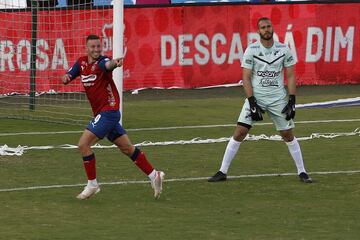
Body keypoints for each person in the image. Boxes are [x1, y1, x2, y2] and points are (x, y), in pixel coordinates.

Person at [208, 17, 312, 183]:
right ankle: (222, 171)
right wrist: (252, 102)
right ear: (258, 31)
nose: (266, 30)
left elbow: (291, 75)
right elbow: (246, 77)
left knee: (287, 135)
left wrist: (292, 100)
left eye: (269, 26)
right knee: (240, 132)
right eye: (263, 27)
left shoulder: (284, 49)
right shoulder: (252, 50)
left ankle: (302, 172)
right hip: (256, 97)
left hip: (278, 98)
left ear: (273, 28)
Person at [63, 34, 165, 200]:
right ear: (87, 48)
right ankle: (155, 175)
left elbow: (108, 65)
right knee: (126, 148)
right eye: (93, 47)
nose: (96, 49)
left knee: (83, 145)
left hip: (108, 112)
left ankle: (92, 184)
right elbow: (68, 75)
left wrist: (115, 63)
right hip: (103, 114)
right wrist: (66, 78)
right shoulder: (81, 63)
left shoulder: (103, 62)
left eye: (98, 46)